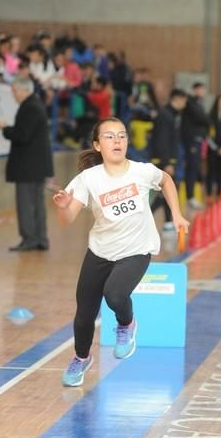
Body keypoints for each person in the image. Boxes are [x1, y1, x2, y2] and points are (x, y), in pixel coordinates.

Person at [52, 117, 189, 387]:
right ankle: (81, 358)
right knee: (84, 314)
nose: (117, 141)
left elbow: (167, 180)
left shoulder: (141, 171)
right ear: (97, 145)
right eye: (109, 136)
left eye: (122, 136)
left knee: (115, 294)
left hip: (136, 249)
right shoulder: (87, 179)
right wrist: (63, 206)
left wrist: (177, 214)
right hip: (100, 251)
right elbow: (66, 220)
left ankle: (126, 324)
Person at [0, 77, 53, 251]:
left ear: (24, 90)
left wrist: (4, 128)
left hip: (28, 165)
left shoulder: (30, 107)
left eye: (15, 91)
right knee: (37, 203)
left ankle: (30, 238)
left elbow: (22, 135)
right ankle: (40, 238)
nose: (14, 95)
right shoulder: (35, 105)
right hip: (37, 165)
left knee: (26, 203)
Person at [150, 88, 187, 233]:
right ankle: (163, 219)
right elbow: (162, 140)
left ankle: (167, 220)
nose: (185, 104)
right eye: (184, 101)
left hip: (169, 159)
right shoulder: (165, 115)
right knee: (167, 191)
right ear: (177, 99)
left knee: (167, 191)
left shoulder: (172, 115)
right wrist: (167, 163)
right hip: (164, 160)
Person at [181, 82, 209, 209]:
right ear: (195, 90)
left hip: (198, 140)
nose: (203, 92)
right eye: (201, 89)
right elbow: (201, 118)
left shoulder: (198, 103)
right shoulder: (190, 103)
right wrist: (206, 120)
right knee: (191, 168)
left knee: (197, 167)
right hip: (191, 140)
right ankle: (189, 197)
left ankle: (193, 196)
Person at [205, 94, 221, 199]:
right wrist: (215, 148)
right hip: (213, 150)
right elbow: (208, 135)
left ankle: (219, 194)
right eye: (220, 102)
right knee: (211, 171)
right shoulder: (210, 118)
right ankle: (209, 194)